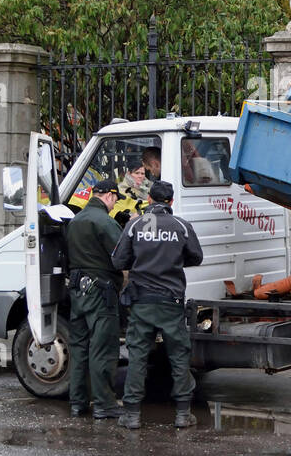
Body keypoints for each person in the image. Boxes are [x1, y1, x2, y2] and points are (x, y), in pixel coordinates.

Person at [110, 179, 203, 429]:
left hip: (141, 302)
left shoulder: (134, 225)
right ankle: (183, 414)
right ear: (171, 201)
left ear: (149, 199)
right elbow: (197, 257)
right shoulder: (182, 226)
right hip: (171, 302)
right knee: (179, 356)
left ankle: (131, 415)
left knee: (138, 356)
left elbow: (118, 261)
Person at [64, 178, 124, 419]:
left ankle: (77, 402)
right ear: (109, 196)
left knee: (79, 348)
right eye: (115, 200)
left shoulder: (75, 221)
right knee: (103, 348)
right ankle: (104, 404)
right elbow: (121, 256)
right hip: (100, 292)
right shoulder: (105, 222)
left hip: (77, 291)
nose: (114, 205)